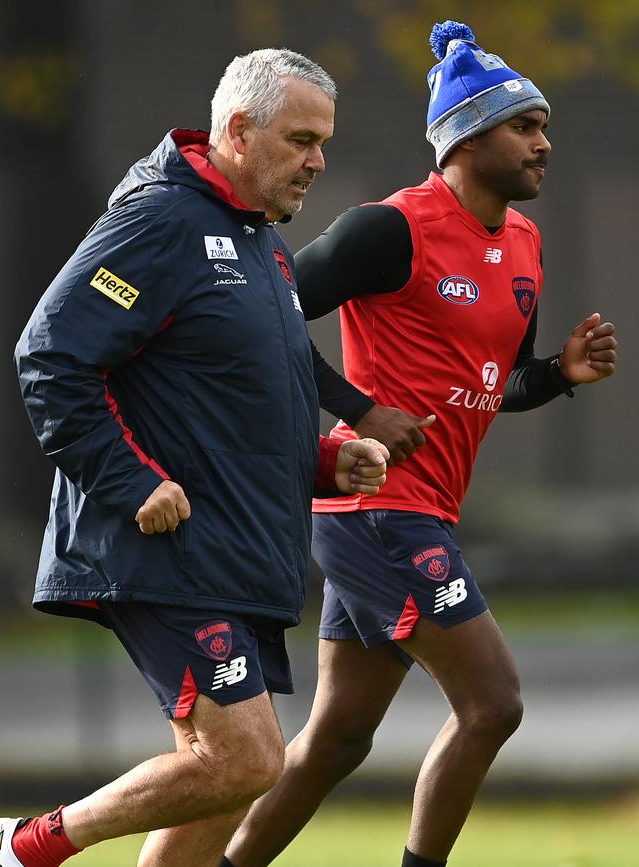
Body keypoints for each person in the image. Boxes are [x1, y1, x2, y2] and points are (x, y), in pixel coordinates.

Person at [221, 21, 618, 867]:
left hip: (415, 512)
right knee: (495, 703)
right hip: (377, 509)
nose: (545, 143)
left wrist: (558, 373)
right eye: (526, 126)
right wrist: (357, 409)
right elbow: (263, 313)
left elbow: (493, 387)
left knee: (334, 742)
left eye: (544, 126)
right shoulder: (390, 229)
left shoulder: (525, 245)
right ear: (468, 137)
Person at [0, 49, 391, 867]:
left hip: (231, 554)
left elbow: (228, 406)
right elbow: (50, 356)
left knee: (227, 777)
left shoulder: (264, 246)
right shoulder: (160, 221)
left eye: (324, 141)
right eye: (301, 139)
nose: (318, 160)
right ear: (238, 131)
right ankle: (22, 846)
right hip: (162, 549)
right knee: (245, 757)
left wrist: (322, 462)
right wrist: (130, 479)